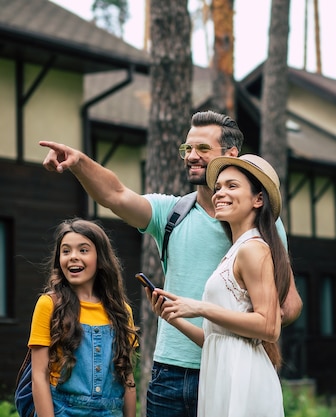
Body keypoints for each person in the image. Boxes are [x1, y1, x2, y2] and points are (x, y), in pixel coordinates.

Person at [39, 110, 302, 417]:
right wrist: (80, 163)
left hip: (228, 371)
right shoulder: (172, 213)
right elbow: (116, 194)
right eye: (187, 149)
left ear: (231, 155)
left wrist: (250, 331)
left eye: (203, 149)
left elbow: (288, 304)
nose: (191, 156)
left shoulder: (261, 230)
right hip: (170, 373)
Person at [156, 154, 289, 417]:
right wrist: (174, 316)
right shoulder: (234, 251)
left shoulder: (254, 249)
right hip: (220, 372)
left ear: (258, 199)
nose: (219, 193)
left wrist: (202, 308)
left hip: (242, 377)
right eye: (217, 187)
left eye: (232, 186)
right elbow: (216, 337)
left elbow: (269, 327)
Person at [28, 218, 139, 417]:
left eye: (83, 250)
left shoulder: (122, 311)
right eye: (66, 251)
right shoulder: (49, 305)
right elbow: (39, 376)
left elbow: (127, 379)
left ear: (100, 258)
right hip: (63, 410)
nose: (73, 257)